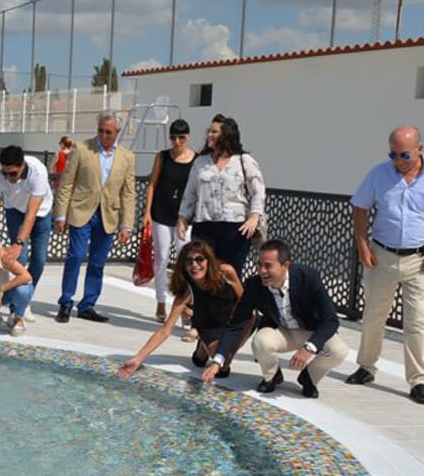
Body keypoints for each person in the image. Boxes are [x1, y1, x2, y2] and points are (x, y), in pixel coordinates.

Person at [344, 125, 424, 405]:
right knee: (373, 315)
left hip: (421, 260)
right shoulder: (378, 173)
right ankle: (366, 367)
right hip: (382, 255)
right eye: (392, 154)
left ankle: (419, 380)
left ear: (420, 149)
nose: (397, 160)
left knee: (417, 320)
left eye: (403, 154)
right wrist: (362, 246)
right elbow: (360, 207)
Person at [204, 239, 348, 397]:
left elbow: (331, 319)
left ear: (285, 265)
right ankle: (272, 376)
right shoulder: (253, 285)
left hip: (309, 331)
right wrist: (218, 362)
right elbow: (236, 324)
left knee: (339, 351)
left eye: (268, 265)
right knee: (261, 341)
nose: (262, 271)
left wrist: (309, 348)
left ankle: (309, 378)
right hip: (281, 330)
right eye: (259, 264)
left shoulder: (308, 277)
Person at [117, 240, 245, 379]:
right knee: (217, 367)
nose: (194, 265)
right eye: (189, 261)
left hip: (232, 322)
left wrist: (232, 331)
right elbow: (165, 329)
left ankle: (213, 346)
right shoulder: (187, 287)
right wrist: (137, 359)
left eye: (199, 259)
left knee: (250, 318)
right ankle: (204, 344)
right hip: (209, 325)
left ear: (209, 260)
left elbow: (244, 302)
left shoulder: (225, 272)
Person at [52, 112, 137, 323]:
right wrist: (60, 214)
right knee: (76, 255)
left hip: (108, 214)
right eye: (100, 131)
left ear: (117, 132)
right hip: (81, 211)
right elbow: (67, 183)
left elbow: (128, 192)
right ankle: (66, 301)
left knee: (98, 262)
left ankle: (88, 305)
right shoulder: (82, 149)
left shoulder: (127, 157)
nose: (104, 135)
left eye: (108, 132)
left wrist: (127, 225)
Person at [176, 116, 265, 278]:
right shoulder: (200, 162)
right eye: (209, 131)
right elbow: (190, 193)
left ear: (227, 134)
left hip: (235, 228)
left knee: (230, 274)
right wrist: (182, 217)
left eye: (214, 132)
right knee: (204, 273)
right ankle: (204, 304)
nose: (210, 134)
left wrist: (254, 216)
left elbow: (258, 190)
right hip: (204, 226)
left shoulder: (244, 161)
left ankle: (233, 304)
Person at [0, 145, 53, 321]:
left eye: (13, 174)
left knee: (39, 260)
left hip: (41, 213)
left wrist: (18, 244)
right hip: (13, 210)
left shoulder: (38, 171)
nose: (8, 178)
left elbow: (31, 214)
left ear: (22, 165)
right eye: (5, 174)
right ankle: (18, 306)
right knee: (18, 260)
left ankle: (25, 298)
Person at [144, 119, 196, 321]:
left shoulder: (196, 159)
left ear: (188, 137)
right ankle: (160, 301)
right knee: (161, 259)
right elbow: (152, 184)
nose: (177, 142)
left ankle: (184, 303)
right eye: (173, 137)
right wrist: (147, 212)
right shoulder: (163, 157)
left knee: (187, 260)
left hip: (185, 217)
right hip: (161, 214)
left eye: (181, 137)